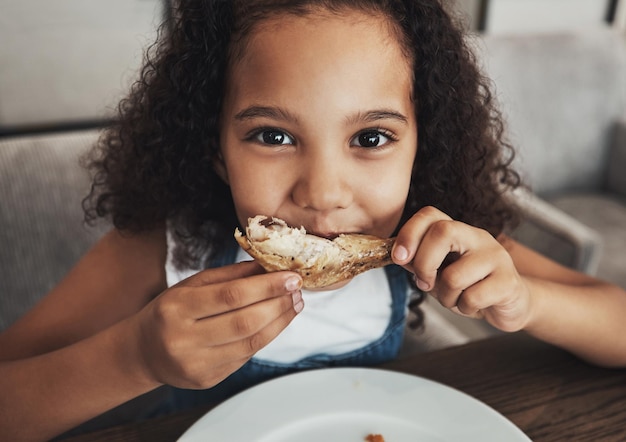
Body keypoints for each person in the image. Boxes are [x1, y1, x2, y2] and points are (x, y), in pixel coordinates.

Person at [2, 0, 626, 440]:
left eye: (372, 137)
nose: (324, 194)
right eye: (272, 135)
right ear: (216, 149)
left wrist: (526, 303)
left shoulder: (427, 240)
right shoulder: (166, 248)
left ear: (421, 149)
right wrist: (135, 357)